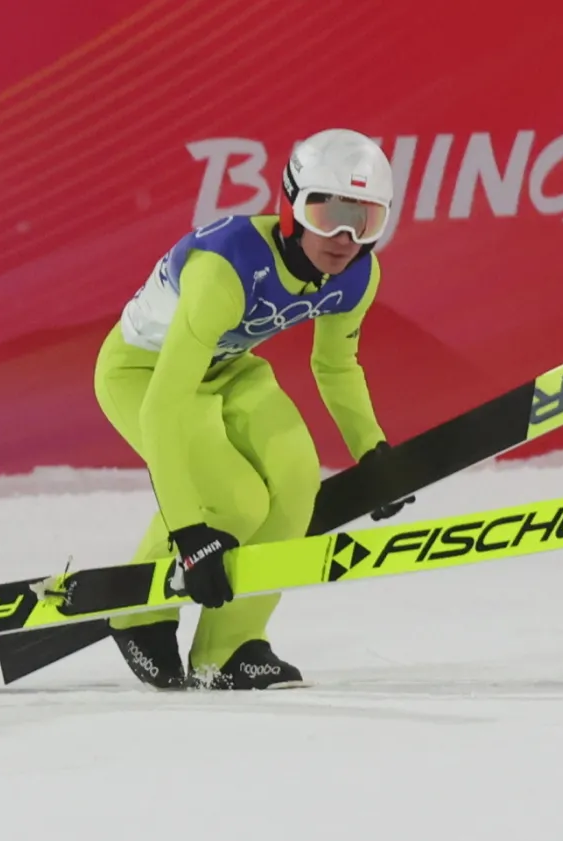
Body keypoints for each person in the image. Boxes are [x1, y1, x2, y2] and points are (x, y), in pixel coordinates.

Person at [91, 128, 413, 691]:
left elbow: (335, 367)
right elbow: (164, 407)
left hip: (230, 367)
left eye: (365, 220)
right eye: (326, 212)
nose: (342, 237)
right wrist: (191, 533)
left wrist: (372, 451)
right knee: (234, 501)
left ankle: (229, 646)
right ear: (289, 206)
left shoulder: (356, 275)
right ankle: (137, 612)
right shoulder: (225, 268)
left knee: (295, 482)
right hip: (144, 373)